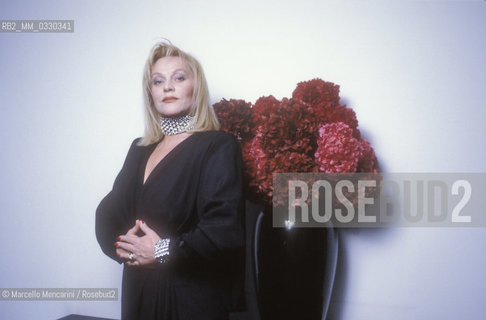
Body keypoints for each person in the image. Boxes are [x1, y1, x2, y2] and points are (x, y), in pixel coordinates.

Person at [95, 41, 245, 320]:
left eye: (179, 77)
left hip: (191, 299)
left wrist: (162, 251)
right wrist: (132, 252)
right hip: (139, 293)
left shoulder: (218, 145)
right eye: (158, 81)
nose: (168, 87)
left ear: (195, 87)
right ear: (150, 92)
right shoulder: (139, 149)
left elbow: (224, 231)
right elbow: (108, 215)